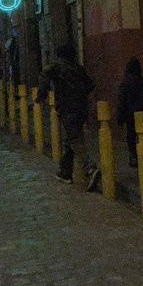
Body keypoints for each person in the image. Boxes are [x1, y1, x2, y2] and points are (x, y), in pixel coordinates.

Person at [38, 43, 94, 183]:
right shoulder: (78, 68)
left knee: (74, 139)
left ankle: (90, 168)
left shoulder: (57, 65)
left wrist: (41, 95)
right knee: (71, 137)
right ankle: (65, 171)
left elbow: (44, 75)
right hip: (82, 107)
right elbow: (90, 84)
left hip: (68, 106)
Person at [115, 58, 143, 169]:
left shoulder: (125, 83)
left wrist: (120, 118)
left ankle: (133, 156)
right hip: (142, 113)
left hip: (130, 114)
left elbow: (122, 102)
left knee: (131, 135)